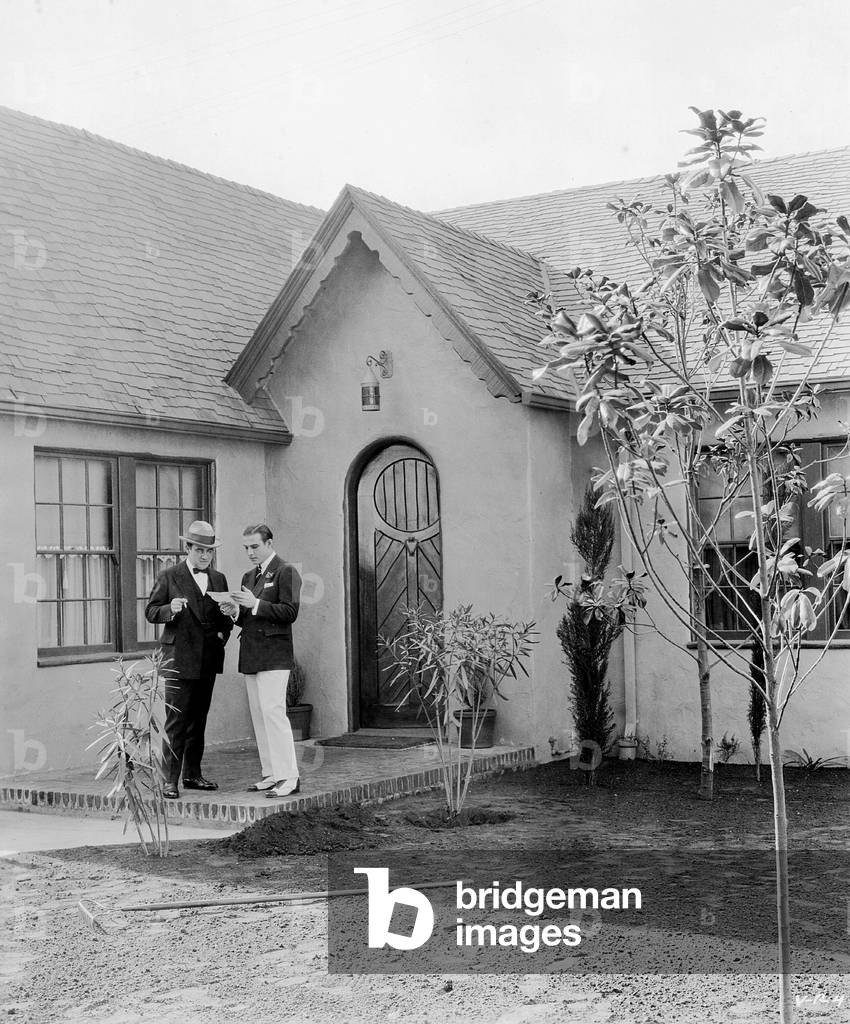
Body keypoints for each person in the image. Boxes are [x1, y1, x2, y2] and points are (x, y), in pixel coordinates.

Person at [144, 521, 234, 799]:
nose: (205, 556)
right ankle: (169, 780)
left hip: (208, 659)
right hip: (179, 659)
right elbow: (150, 611)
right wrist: (169, 609)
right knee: (177, 721)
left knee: (198, 720)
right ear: (188, 549)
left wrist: (223, 632)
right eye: (199, 550)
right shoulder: (169, 576)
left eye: (209, 551)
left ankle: (192, 775)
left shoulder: (219, 579)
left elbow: (225, 617)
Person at [227, 523, 302, 798]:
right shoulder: (249, 577)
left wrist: (255, 604)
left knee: (273, 713)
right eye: (246, 548)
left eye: (255, 546)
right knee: (259, 715)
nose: (250, 552)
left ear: (269, 543)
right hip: (252, 653)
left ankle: (289, 776)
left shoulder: (286, 571)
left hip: (274, 655)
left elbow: (290, 612)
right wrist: (234, 612)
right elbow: (248, 619)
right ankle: (271, 773)